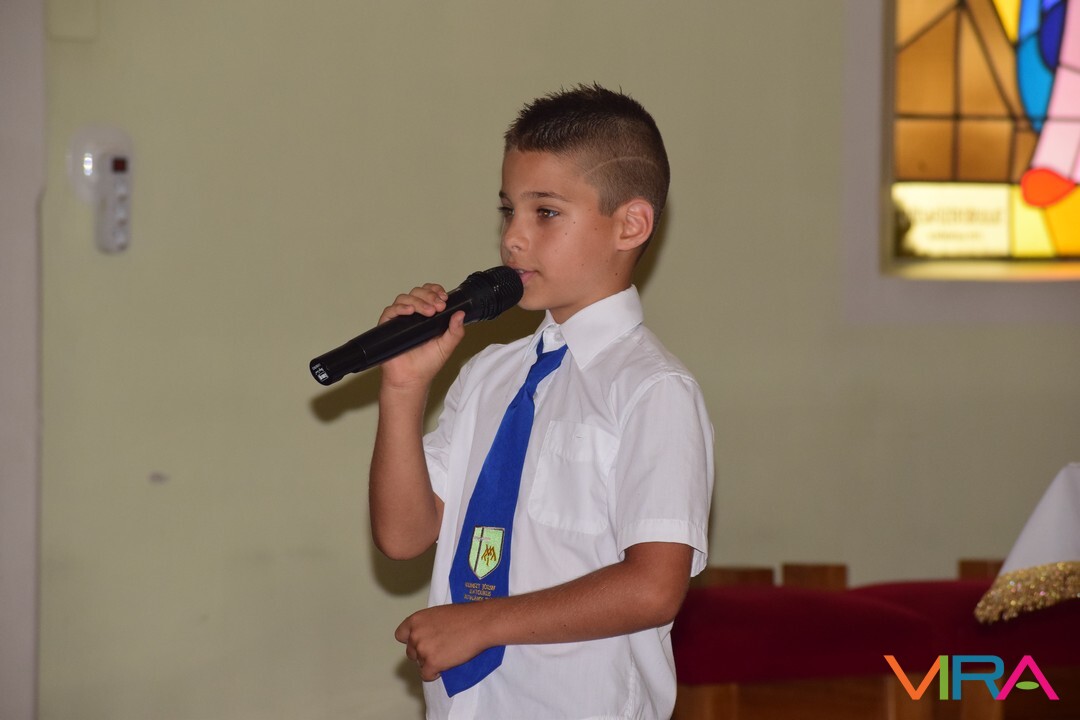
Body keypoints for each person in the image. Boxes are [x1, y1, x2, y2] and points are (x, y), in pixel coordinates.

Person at [369, 83, 714, 719]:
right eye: (508, 211)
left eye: (545, 213)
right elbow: (403, 536)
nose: (513, 239)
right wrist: (402, 390)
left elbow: (653, 587)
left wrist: (484, 623)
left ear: (631, 224)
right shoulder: (489, 375)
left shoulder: (652, 389)